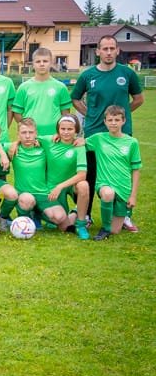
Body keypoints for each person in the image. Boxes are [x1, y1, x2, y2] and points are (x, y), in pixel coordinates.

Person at [71, 34, 144, 231]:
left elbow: (138, 99)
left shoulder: (127, 74)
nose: (109, 52)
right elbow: (75, 99)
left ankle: (125, 214)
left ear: (118, 50)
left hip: (122, 134)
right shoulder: (88, 75)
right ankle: (85, 215)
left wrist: (120, 118)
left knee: (122, 174)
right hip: (94, 132)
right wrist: (92, 114)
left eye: (112, 48)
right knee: (90, 175)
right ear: (98, 52)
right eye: (105, 49)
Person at [86, 106, 141, 241]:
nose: (113, 123)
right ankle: (104, 227)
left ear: (124, 121)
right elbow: (79, 143)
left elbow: (136, 170)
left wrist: (133, 196)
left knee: (115, 231)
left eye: (117, 119)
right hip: (104, 184)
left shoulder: (132, 142)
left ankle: (116, 217)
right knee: (108, 194)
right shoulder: (98, 139)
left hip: (123, 188)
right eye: (110, 120)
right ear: (105, 121)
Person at [8, 117, 73, 231]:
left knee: (61, 219)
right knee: (27, 200)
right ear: (18, 134)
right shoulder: (12, 149)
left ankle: (39, 213)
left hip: (43, 193)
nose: (27, 136)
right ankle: (25, 219)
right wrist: (13, 146)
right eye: (24, 133)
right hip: (25, 194)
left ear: (36, 133)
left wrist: (80, 140)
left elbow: (65, 137)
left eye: (31, 132)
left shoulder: (44, 146)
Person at [44, 115, 90, 239]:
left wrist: (61, 186)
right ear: (58, 130)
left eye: (70, 129)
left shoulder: (78, 146)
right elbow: (28, 137)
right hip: (51, 186)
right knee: (61, 225)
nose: (66, 132)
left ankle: (81, 224)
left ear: (76, 130)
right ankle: (75, 212)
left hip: (70, 185)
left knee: (84, 185)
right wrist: (16, 143)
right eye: (62, 129)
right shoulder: (49, 141)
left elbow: (82, 175)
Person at [12, 47, 72, 136]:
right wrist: (27, 130)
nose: (42, 64)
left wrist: (60, 132)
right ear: (33, 64)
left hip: (54, 137)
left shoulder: (60, 87)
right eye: (38, 61)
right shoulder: (23, 87)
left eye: (45, 61)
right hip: (31, 138)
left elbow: (65, 113)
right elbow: (17, 113)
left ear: (51, 63)